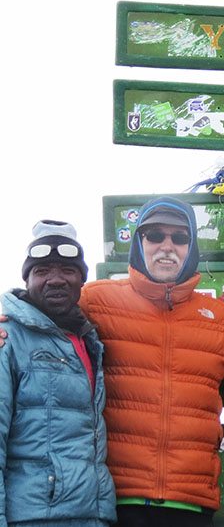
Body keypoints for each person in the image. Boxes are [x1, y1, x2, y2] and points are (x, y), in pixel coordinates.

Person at [78, 196, 224, 526]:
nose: (167, 246)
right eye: (155, 235)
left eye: (179, 237)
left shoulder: (220, 320)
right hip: (111, 500)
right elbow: (40, 319)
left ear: (191, 247)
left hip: (189, 506)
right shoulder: (95, 301)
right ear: (138, 243)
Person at [1, 220, 116, 527]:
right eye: (41, 271)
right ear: (27, 279)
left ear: (82, 280)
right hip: (32, 517)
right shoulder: (8, 338)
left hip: (92, 513)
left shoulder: (90, 340)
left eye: (67, 270)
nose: (55, 280)